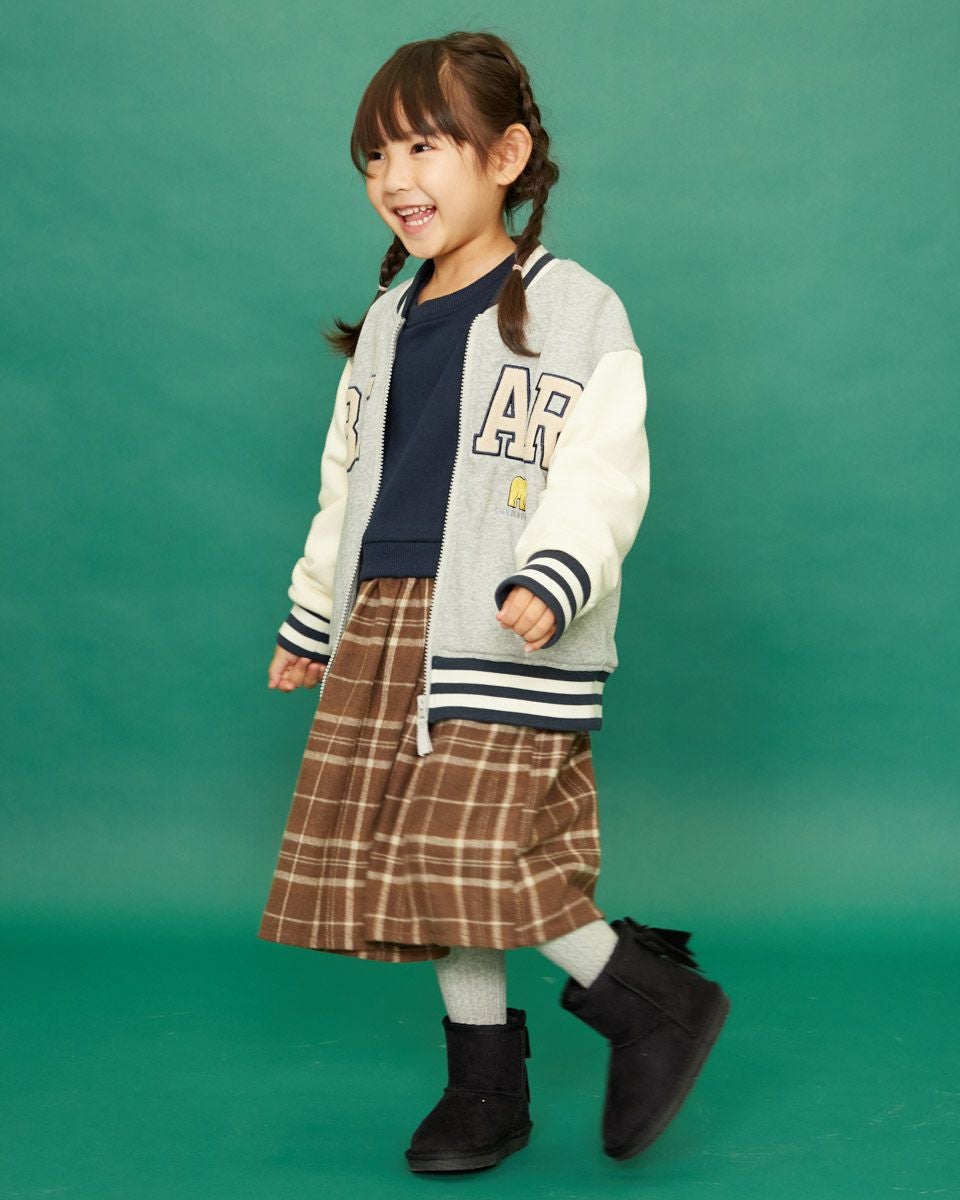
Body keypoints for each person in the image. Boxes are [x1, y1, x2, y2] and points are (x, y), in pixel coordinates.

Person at [257, 29, 730, 1173]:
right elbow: (347, 482)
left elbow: (603, 470)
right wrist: (316, 615)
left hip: (501, 621)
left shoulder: (575, 310)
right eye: (375, 158)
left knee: (466, 851)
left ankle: (650, 1002)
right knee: (429, 868)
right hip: (388, 620)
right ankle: (485, 1086)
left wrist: (552, 576)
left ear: (507, 155)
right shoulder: (388, 321)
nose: (395, 178)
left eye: (425, 146)